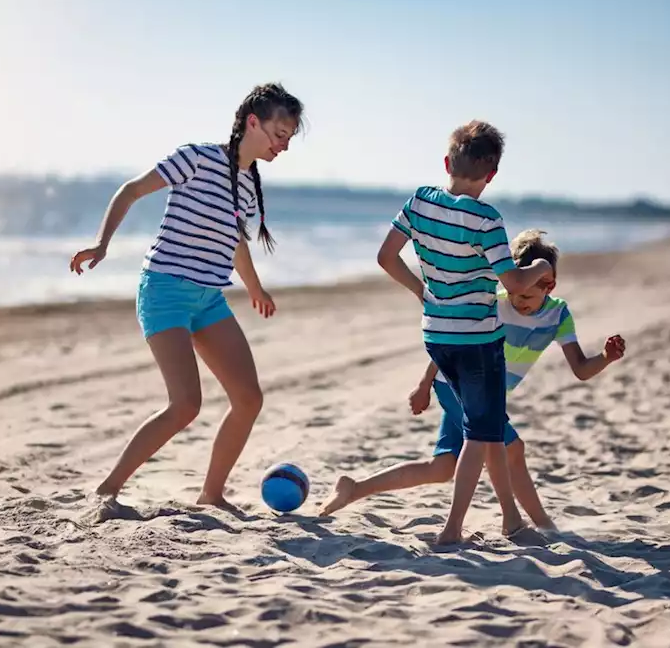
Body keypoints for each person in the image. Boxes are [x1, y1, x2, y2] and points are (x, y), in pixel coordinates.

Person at [69, 82, 304, 513]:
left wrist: (255, 288)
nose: (284, 145)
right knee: (186, 404)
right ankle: (107, 489)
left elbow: (236, 241)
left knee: (249, 399)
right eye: (279, 133)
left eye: (289, 138)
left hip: (209, 299)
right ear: (253, 122)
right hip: (164, 290)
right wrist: (102, 243)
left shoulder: (249, 183)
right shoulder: (196, 158)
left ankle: (211, 495)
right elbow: (131, 190)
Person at [320, 229, 627, 535]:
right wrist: (425, 384)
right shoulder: (493, 303)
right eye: (515, 292)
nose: (520, 302)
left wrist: (606, 357)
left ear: (549, 285)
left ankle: (353, 488)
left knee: (441, 469)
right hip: (454, 381)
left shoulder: (558, 316)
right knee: (511, 448)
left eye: (528, 295)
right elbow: (456, 343)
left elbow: (581, 369)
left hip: (483, 391)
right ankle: (537, 525)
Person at [374, 120, 555, 545]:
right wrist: (541, 268)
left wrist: (422, 290)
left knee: (487, 427)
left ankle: (511, 519)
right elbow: (512, 283)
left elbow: (386, 257)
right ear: (491, 175)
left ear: (446, 162)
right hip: (477, 340)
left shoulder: (419, 202)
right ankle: (452, 529)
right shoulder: (486, 219)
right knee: (479, 433)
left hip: (436, 336)